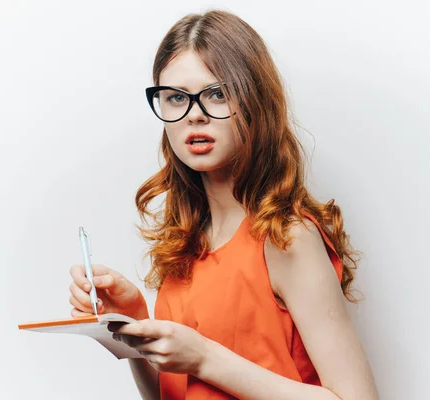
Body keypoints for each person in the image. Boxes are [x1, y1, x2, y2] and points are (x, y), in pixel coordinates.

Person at [68, 9, 379, 400]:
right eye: (176, 98)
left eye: (216, 94)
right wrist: (133, 323)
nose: (194, 115)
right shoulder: (186, 244)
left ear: (254, 102)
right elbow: (174, 394)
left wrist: (203, 357)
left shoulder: (285, 238)